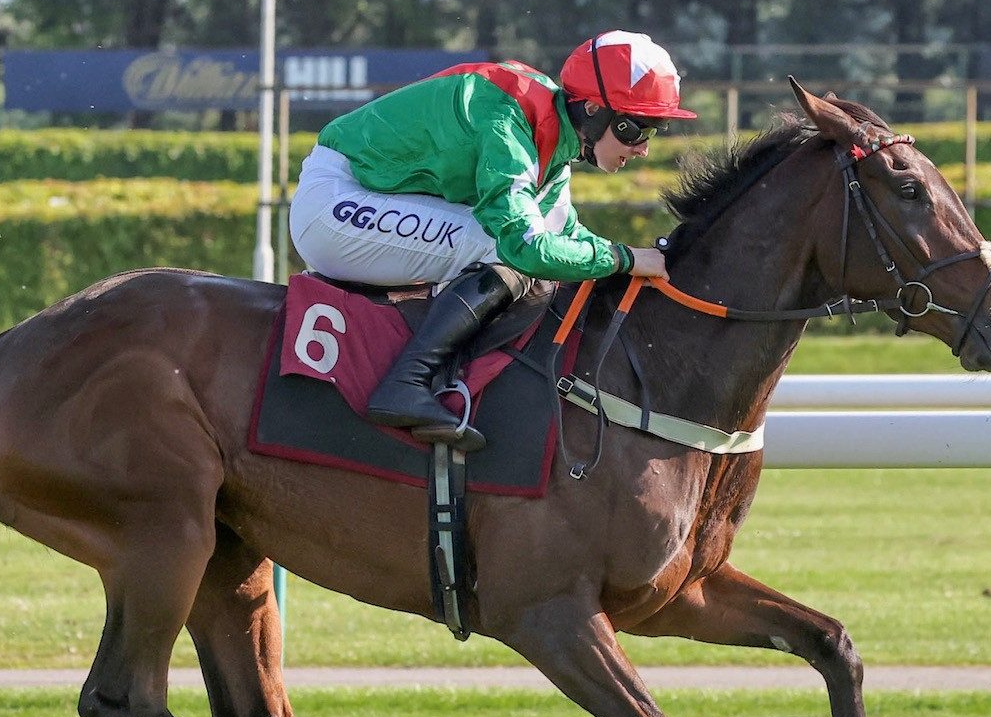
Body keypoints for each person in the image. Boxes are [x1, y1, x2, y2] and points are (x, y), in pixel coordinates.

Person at [288, 30, 696, 452]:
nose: (645, 149)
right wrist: (624, 259)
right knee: (501, 249)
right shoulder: (507, 119)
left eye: (655, 130)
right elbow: (527, 247)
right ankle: (406, 384)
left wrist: (636, 260)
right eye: (638, 129)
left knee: (514, 251)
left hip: (366, 198)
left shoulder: (552, 139)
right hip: (334, 205)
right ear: (593, 109)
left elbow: (565, 237)